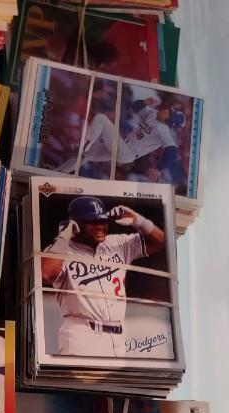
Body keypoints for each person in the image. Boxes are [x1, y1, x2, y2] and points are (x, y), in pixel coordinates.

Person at [41, 195, 165, 357]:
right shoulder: (61, 251)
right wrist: (64, 235)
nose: (100, 226)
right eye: (92, 222)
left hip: (117, 337)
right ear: (75, 224)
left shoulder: (118, 243)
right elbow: (46, 274)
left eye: (103, 221)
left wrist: (139, 221)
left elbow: (161, 242)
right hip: (81, 335)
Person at [60, 97, 186, 188]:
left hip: (128, 152)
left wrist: (159, 168)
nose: (166, 110)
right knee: (87, 155)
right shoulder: (154, 114)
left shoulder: (163, 130)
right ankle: (59, 172)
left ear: (169, 121)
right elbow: (136, 106)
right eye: (169, 110)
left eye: (169, 113)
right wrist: (145, 102)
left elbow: (172, 152)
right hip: (123, 146)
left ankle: (85, 145)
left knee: (101, 118)